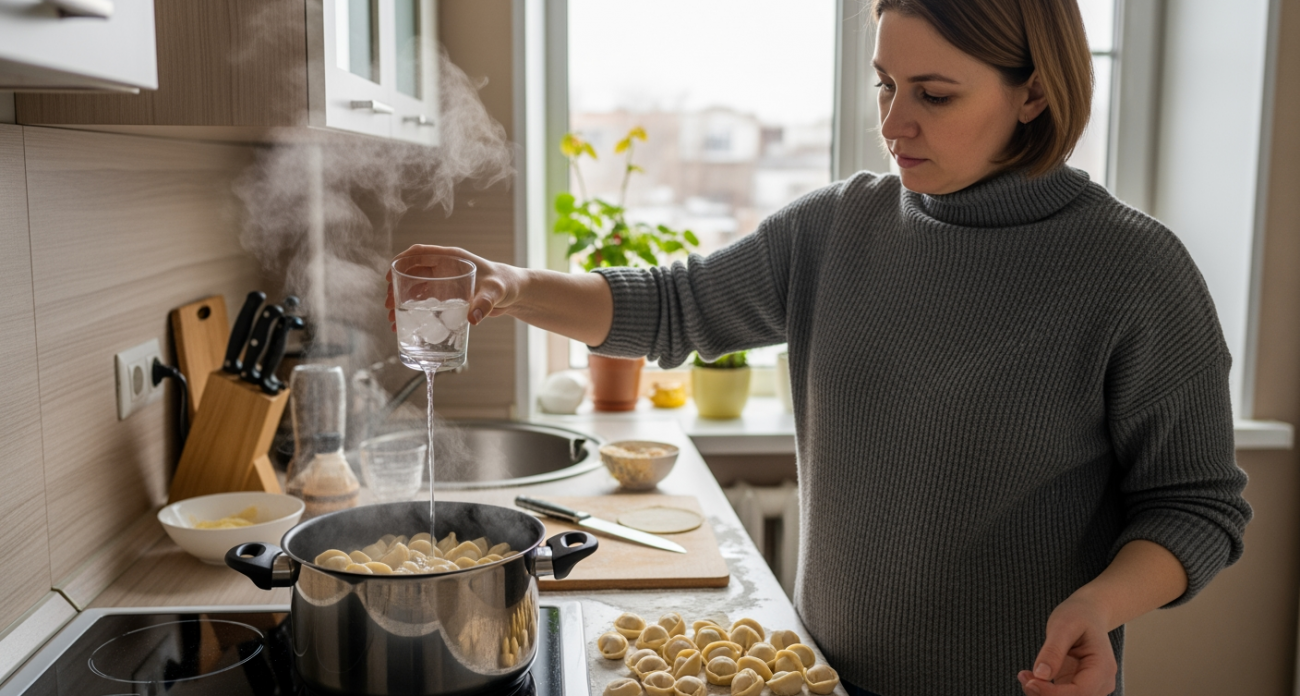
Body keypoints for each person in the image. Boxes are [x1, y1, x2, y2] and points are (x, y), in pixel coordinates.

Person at [387, 0, 1251, 694]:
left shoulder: (1135, 269)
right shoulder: (839, 227)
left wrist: (1101, 604)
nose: (893, 122)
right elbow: (675, 305)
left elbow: (1196, 505)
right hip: (820, 674)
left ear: (1033, 94)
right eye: (884, 85)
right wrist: (512, 282)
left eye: (933, 94)